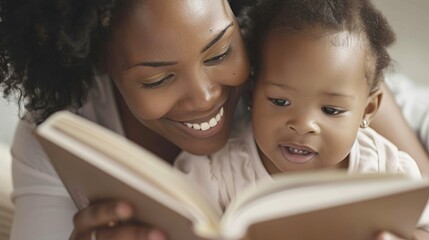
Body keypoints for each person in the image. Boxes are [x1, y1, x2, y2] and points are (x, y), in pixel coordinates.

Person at [0, 0, 427, 240]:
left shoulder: (285, 60)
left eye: (221, 53)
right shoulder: (57, 138)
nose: (205, 98)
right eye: (159, 78)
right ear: (100, 64)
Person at [174, 0, 429, 239]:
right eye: (280, 101)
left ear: (368, 109)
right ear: (252, 93)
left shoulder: (389, 175)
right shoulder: (216, 174)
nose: (303, 124)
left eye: (331, 110)